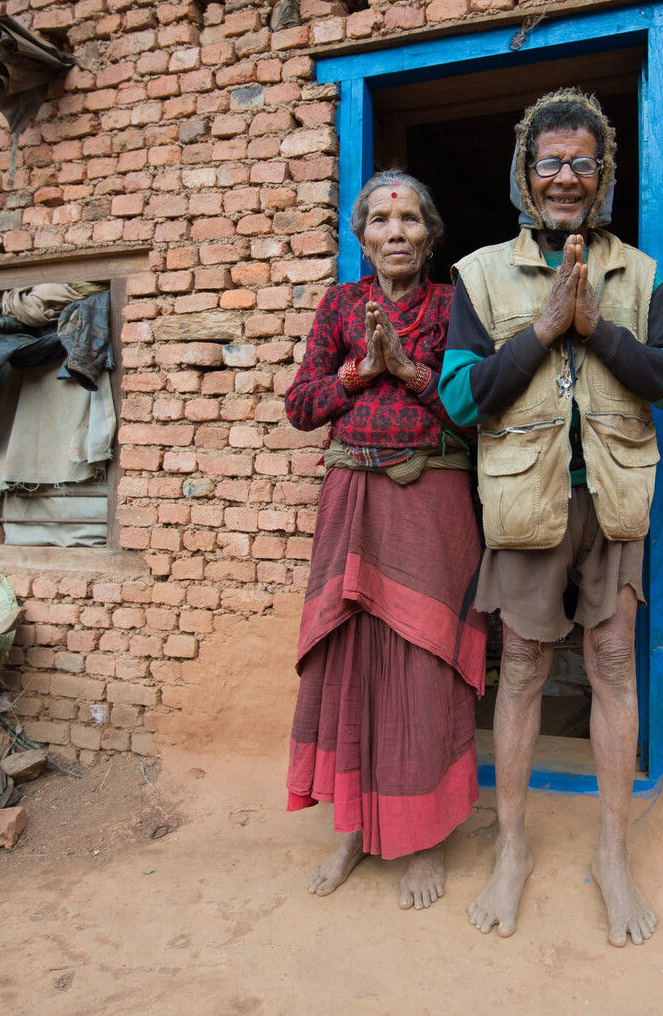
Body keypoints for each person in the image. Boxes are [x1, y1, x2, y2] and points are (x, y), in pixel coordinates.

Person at [440, 89, 663, 946]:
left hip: (614, 500)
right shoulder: (479, 275)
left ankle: (613, 857)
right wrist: (543, 329)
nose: (565, 177)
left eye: (582, 162)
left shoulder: (639, 275)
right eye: (549, 162)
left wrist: (597, 328)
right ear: (525, 173)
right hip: (525, 500)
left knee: (614, 663)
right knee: (518, 668)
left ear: (603, 175)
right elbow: (456, 399)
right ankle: (511, 850)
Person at [283, 170, 485, 911]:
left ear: (429, 233)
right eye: (379, 219)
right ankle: (353, 829)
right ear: (361, 235)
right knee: (350, 661)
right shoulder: (339, 305)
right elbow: (301, 407)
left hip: (431, 499)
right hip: (350, 498)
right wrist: (357, 373)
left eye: (408, 219)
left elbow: (477, 414)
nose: (394, 231)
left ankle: (425, 837)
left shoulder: (455, 306)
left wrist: (410, 372)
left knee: (426, 661)